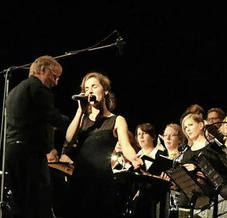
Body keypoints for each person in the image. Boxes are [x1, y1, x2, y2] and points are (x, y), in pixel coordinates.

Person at [65, 72, 142, 217]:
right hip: (80, 180)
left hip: (102, 181)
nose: (90, 91)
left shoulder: (117, 120)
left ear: (105, 90)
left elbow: (125, 146)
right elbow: (69, 138)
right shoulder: (82, 119)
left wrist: (134, 158)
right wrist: (80, 111)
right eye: (86, 89)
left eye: (94, 86)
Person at [5, 55, 71, 218]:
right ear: (43, 70)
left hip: (11, 151)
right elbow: (52, 117)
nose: (56, 82)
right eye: (55, 76)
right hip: (31, 154)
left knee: (18, 204)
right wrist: (71, 122)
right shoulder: (39, 88)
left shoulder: (13, 92)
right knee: (38, 203)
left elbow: (29, 118)